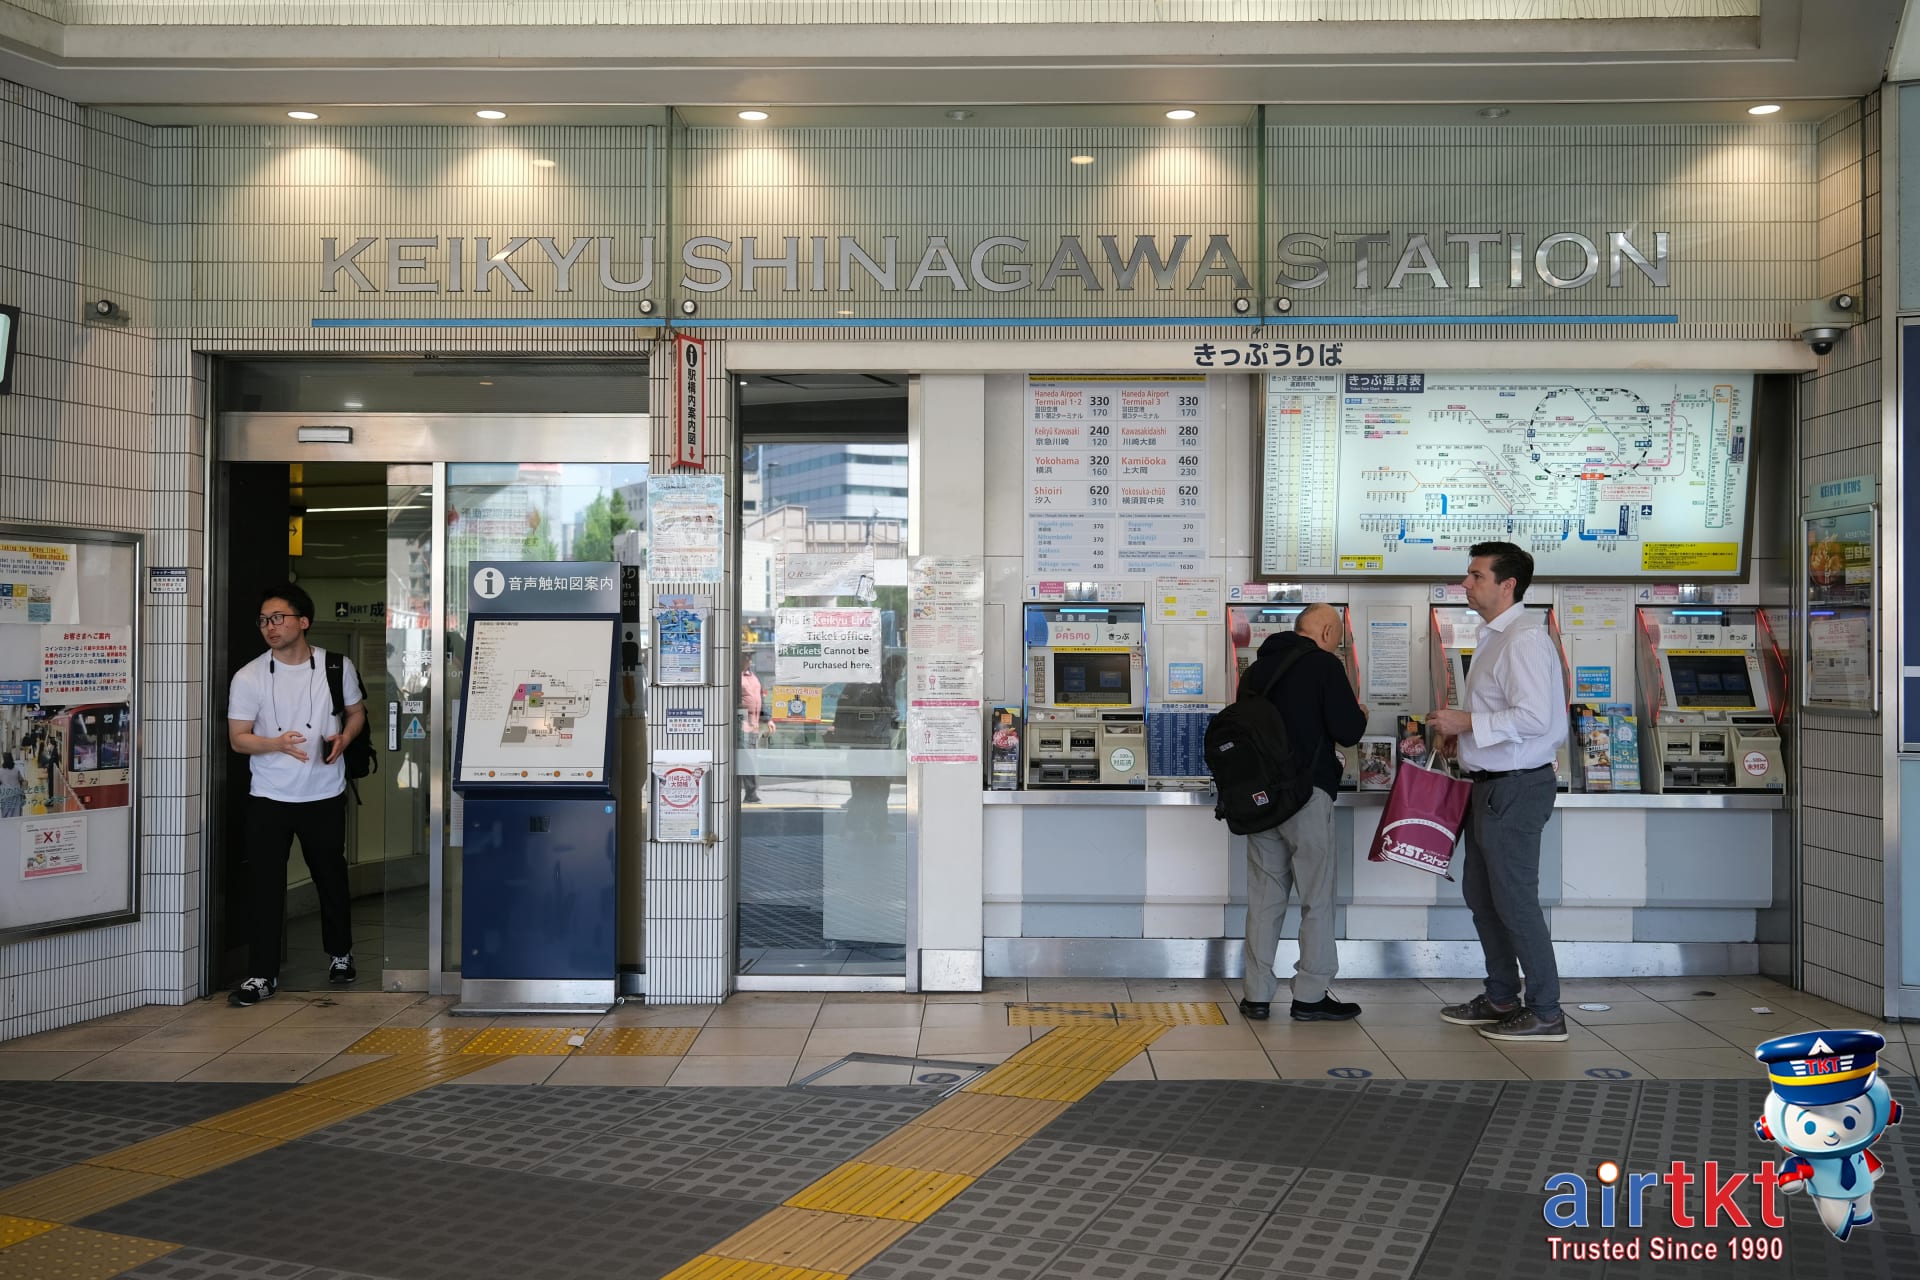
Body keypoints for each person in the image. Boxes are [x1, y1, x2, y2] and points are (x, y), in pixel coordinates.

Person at [1428, 541, 1569, 1042]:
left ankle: (1547, 1011)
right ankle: (1501, 996)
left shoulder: (1524, 639)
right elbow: (1506, 716)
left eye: (1476, 575)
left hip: (1515, 789)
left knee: (1514, 901)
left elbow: (1534, 719)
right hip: (1488, 788)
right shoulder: (1494, 637)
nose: (1466, 583)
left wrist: (1467, 720)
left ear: (1507, 585)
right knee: (1483, 897)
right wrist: (1461, 734)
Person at [225, 583, 366, 1006]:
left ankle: (340, 954)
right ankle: (261, 975)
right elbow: (237, 739)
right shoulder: (249, 676)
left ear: (302, 622)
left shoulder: (336, 667)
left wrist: (345, 737)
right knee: (265, 886)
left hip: (324, 794)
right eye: (264, 620)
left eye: (278, 618)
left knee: (331, 878)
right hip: (269, 797)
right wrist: (276, 744)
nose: (270, 627)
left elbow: (357, 713)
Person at [1238, 603, 1368, 1023]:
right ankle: (1310, 994)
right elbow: (1348, 730)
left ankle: (1256, 995)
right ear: (1328, 632)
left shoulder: (1255, 671)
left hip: (1261, 800)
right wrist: (1359, 715)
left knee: (1264, 897)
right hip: (1307, 796)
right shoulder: (1324, 666)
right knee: (1316, 897)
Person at [739, 655, 764, 803]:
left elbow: (761, 699)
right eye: (746, 657)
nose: (749, 660)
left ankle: (751, 792)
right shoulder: (734, 676)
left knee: (751, 759)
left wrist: (767, 719)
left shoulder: (754, 676)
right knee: (747, 759)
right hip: (742, 724)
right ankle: (750, 792)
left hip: (754, 725)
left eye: (749, 657)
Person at [0, 750, 22, 818]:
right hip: (16, 793)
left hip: (5, 794)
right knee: (16, 813)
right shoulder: (16, 770)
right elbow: (21, 780)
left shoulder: (1, 771)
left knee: (5, 814)